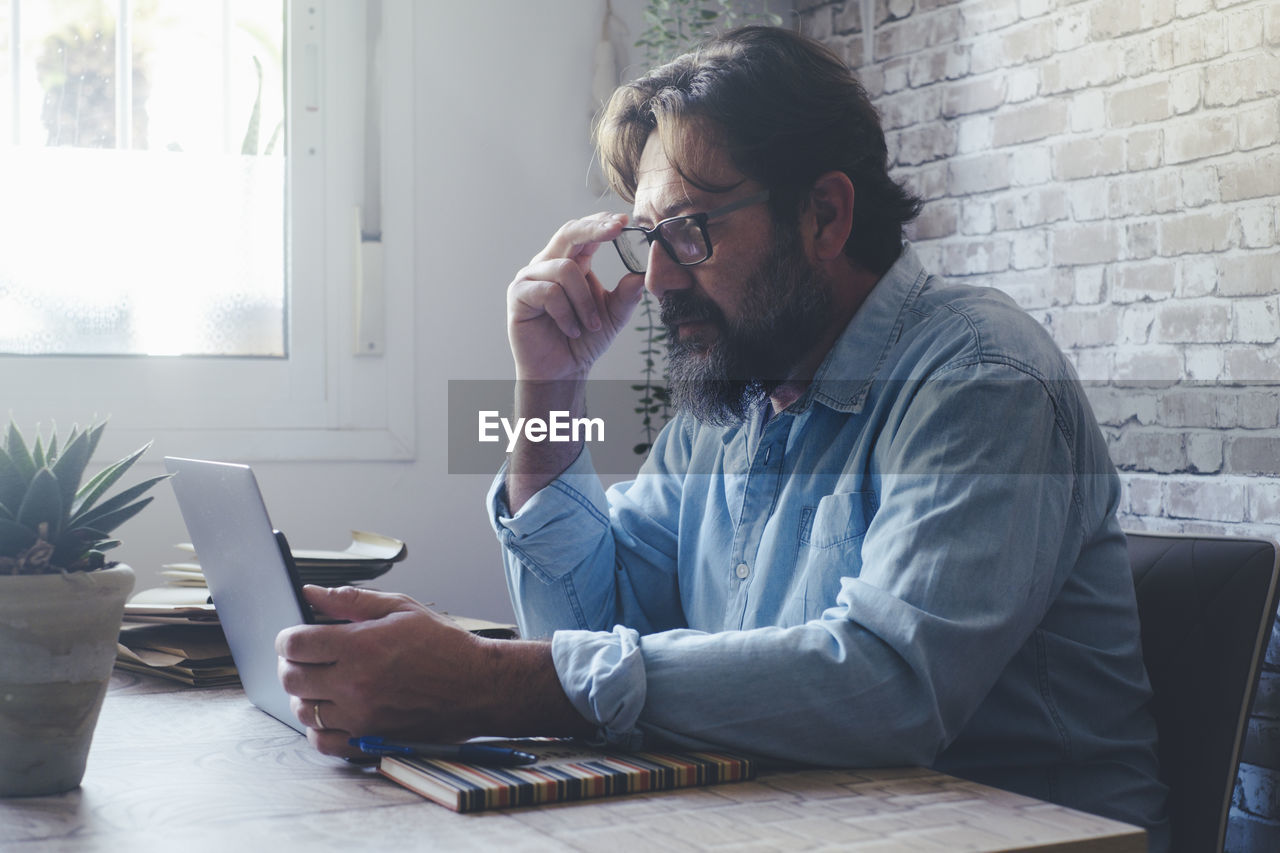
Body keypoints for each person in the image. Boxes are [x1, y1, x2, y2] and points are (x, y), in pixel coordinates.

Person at [277, 26, 1168, 846]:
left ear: (825, 214)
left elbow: (891, 687)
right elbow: (591, 623)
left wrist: (488, 679)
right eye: (650, 238)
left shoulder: (983, 379)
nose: (659, 278)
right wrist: (549, 385)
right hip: (795, 823)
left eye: (691, 231)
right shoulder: (738, 391)